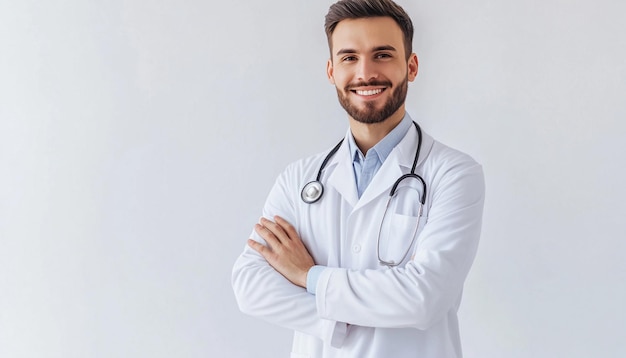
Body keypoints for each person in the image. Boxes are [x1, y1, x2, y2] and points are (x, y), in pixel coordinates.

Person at [232, 0, 485, 357]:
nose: (365, 73)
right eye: (349, 58)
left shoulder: (453, 173)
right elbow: (250, 285)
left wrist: (309, 276)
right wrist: (334, 322)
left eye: (382, 54)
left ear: (411, 66)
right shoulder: (299, 180)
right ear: (331, 71)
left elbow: (424, 297)